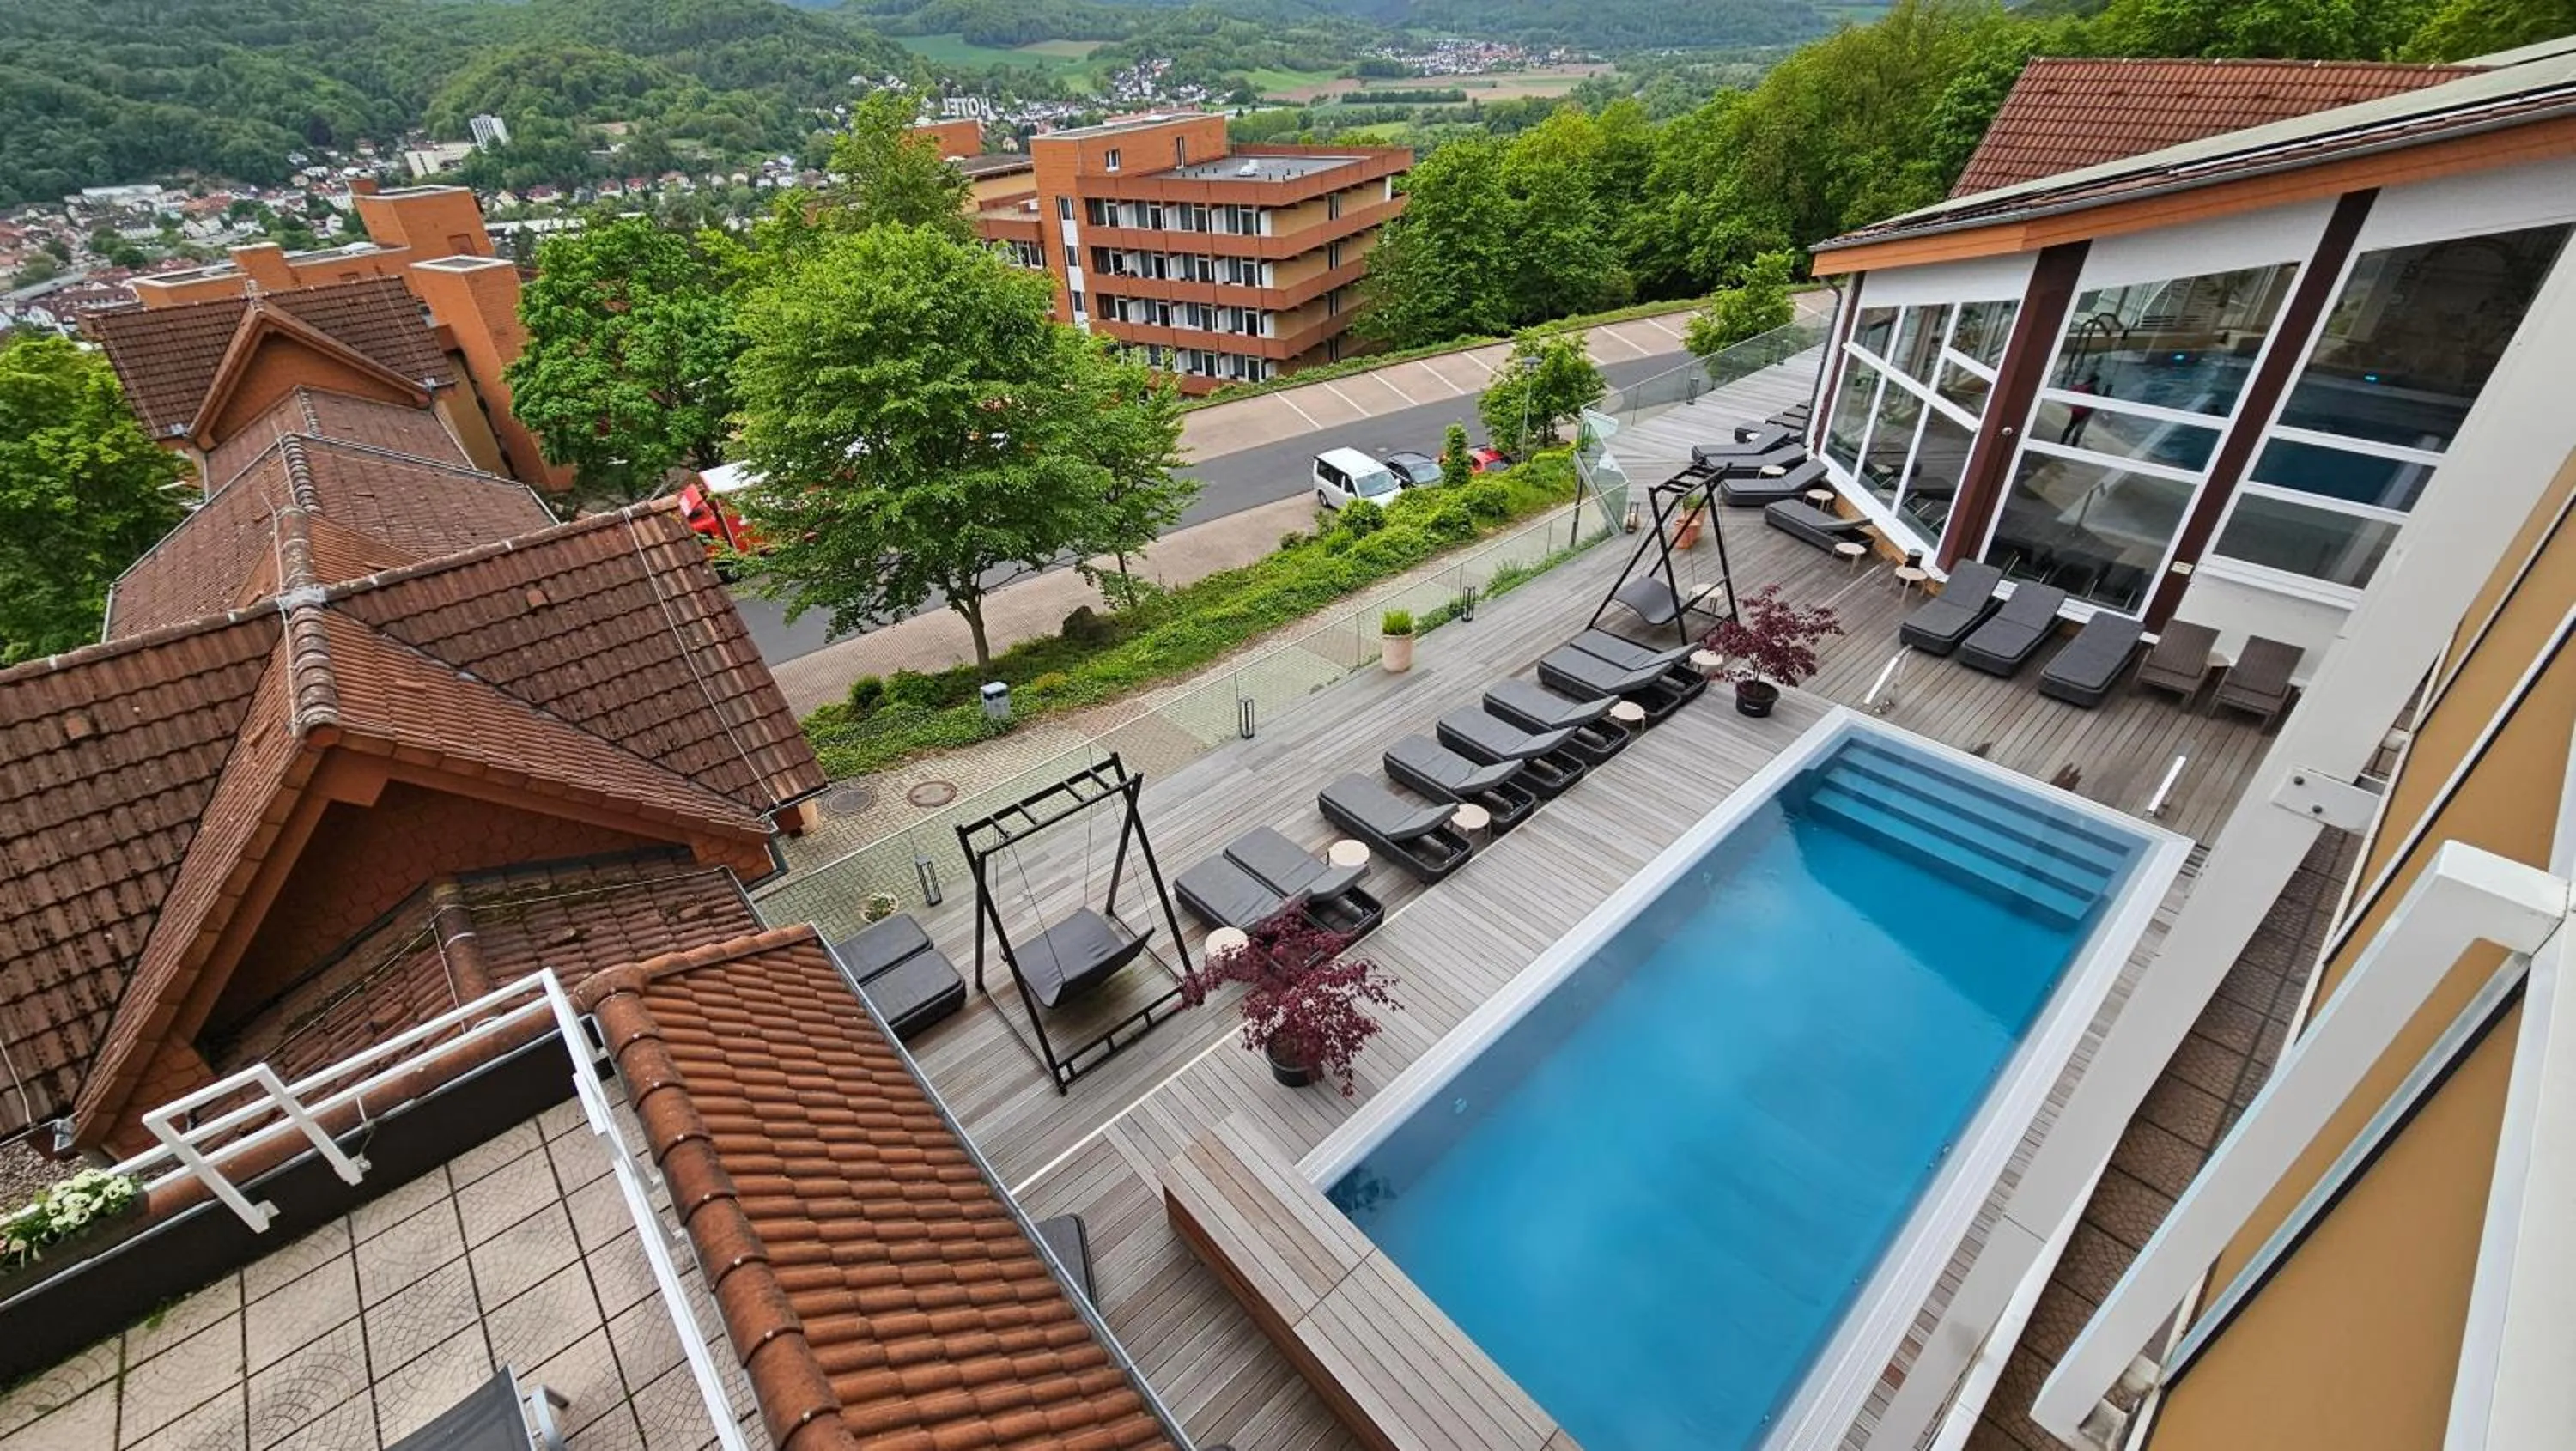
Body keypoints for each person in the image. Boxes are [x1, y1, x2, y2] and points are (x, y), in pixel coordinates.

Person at [2059, 371, 2105, 446]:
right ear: (2095, 381)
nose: (2097, 384)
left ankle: (2062, 442)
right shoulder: (2091, 388)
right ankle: (2073, 446)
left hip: (2076, 410)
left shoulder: (2084, 385)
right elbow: (2096, 399)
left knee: (2070, 427)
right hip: (2083, 413)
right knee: (2078, 431)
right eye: (2097, 382)